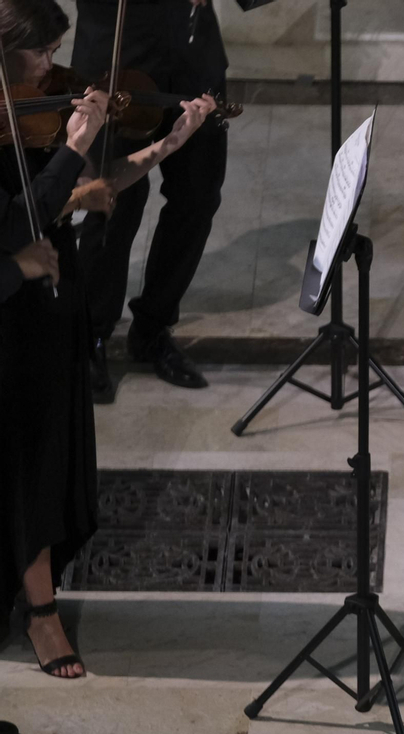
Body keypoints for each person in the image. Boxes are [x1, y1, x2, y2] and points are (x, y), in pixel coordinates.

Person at [1, 0, 216, 680]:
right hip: (9, 320)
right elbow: (18, 219)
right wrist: (72, 148)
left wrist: (167, 145)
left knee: (54, 456)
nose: (53, 66)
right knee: (27, 466)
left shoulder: (33, 107)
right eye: (39, 53)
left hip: (51, 305)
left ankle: (37, 596)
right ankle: (41, 614)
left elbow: (88, 189)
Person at [73, 0, 230, 402]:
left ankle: (153, 328)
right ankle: (91, 335)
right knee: (111, 202)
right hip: (117, 62)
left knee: (197, 199)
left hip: (194, 63)